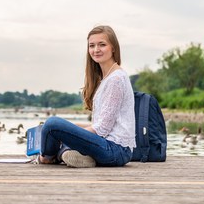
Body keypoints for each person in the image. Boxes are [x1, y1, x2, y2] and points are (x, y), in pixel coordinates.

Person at [38, 25, 136, 168]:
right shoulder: (106, 78)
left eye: (102, 44)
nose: (96, 49)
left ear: (113, 48)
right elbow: (99, 125)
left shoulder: (116, 79)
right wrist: (71, 128)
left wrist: (66, 133)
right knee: (56, 128)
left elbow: (101, 129)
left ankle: (46, 158)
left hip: (116, 150)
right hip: (106, 145)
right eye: (92, 45)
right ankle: (78, 156)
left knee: (52, 124)